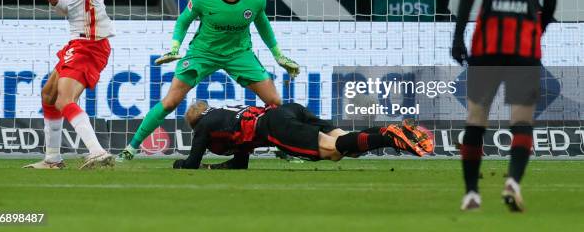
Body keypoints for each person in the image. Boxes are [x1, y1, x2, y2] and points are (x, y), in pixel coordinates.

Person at [118, 0, 300, 161]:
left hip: (238, 53)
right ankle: (130, 149)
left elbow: (263, 25)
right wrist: (175, 46)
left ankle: (282, 147)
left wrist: (278, 55)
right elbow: (183, 20)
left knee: (275, 101)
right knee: (170, 102)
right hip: (202, 53)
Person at [451, 0, 560, 212]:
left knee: (475, 119)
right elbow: (551, 3)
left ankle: (471, 193)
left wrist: (458, 37)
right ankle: (513, 180)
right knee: (522, 120)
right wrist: (537, 31)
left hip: (487, 43)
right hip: (524, 44)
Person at [24, 0, 145, 169]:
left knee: (64, 100)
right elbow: (69, 8)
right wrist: (55, 0)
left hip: (89, 43)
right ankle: (53, 159)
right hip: (78, 42)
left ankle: (98, 152)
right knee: (49, 94)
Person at [172, 101, 433, 169]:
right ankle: (394, 130)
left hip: (275, 125)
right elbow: (240, 162)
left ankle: (390, 135)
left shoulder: (203, 125)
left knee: (333, 151)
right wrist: (214, 167)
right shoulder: (227, 115)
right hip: (288, 110)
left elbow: (190, 162)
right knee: (349, 148)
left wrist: (181, 164)